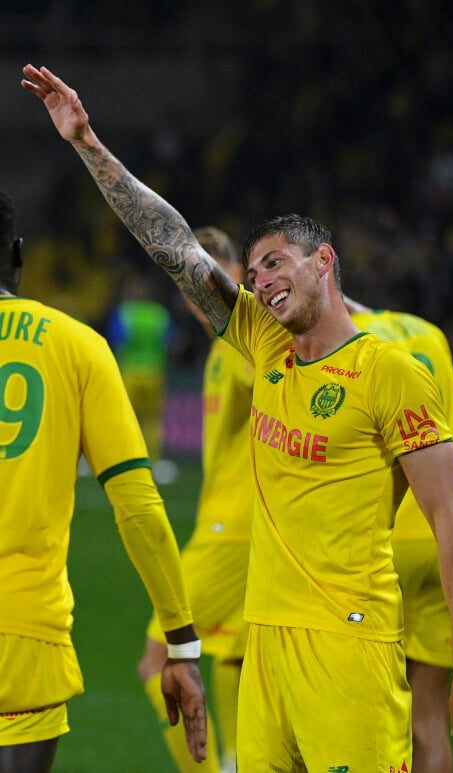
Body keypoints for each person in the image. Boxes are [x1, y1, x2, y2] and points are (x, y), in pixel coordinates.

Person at [22, 64, 453, 771]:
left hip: (351, 647)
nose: (262, 280)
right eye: (253, 274)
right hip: (265, 644)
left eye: (276, 263)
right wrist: (87, 141)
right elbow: (176, 248)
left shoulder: (392, 372)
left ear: (325, 261)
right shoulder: (264, 342)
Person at [0, 190, 207, 772]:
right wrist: (181, 645)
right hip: (24, 634)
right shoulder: (77, 345)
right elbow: (137, 505)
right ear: (17, 255)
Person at [138, 227, 253, 773]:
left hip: (231, 532)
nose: (189, 293)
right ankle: (235, 760)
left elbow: (281, 374)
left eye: (196, 277)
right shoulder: (222, 346)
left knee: (158, 656)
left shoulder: (239, 341)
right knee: (230, 653)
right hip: (236, 525)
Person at [347, 301, 453, 772]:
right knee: (427, 717)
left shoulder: (348, 340)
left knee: (367, 716)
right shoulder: (431, 333)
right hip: (437, 543)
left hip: (379, 548)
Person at [106, 271, 174, 466]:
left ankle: (118, 457)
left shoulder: (125, 313)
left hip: (129, 372)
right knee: (153, 420)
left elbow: (116, 341)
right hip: (154, 373)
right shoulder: (159, 315)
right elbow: (170, 344)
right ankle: (154, 460)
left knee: (124, 417)